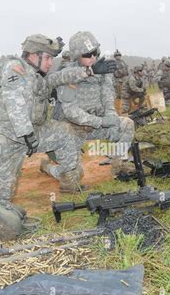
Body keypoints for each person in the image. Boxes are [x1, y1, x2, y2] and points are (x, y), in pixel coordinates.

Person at [0, 34, 116, 243]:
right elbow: (14, 103)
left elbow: (60, 77)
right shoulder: (14, 69)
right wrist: (27, 134)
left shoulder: (38, 76)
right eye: (47, 58)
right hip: (6, 140)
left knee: (65, 132)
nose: (50, 63)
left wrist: (89, 71)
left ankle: (69, 180)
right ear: (33, 55)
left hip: (33, 133)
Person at [47, 31, 135, 187]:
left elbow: (107, 95)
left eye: (95, 52)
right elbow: (71, 113)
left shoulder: (103, 71)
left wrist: (111, 115)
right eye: (88, 54)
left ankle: (119, 166)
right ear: (76, 56)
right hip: (72, 130)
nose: (93, 57)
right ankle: (47, 167)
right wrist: (101, 121)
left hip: (95, 125)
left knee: (127, 124)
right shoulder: (69, 75)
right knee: (72, 179)